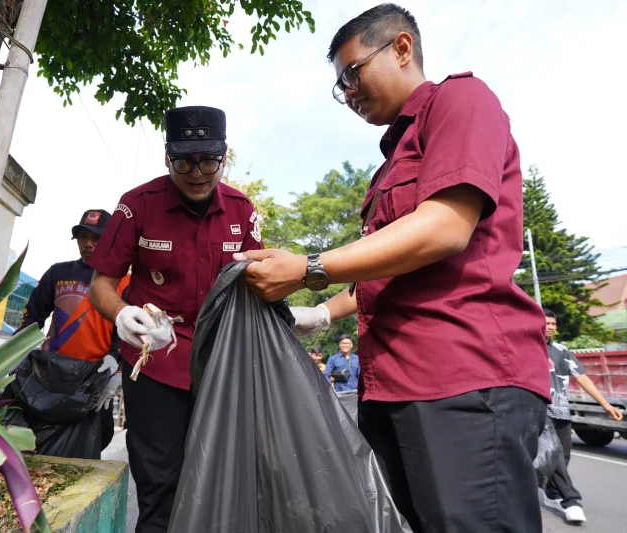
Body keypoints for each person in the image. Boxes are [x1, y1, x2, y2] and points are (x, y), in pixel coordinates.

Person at [234, 5, 550, 532]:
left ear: (402, 49)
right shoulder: (389, 165)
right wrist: (314, 314)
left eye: (352, 73)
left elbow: (443, 228)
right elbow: (382, 276)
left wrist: (308, 267)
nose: (349, 93)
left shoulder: (462, 100)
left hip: (462, 378)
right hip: (390, 385)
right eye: (340, 86)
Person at [87, 105, 263, 533]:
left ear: (225, 155)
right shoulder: (136, 206)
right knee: (159, 486)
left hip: (221, 367)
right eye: (184, 160)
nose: (197, 172)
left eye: (209, 160)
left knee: (220, 480)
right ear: (167, 156)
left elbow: (258, 280)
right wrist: (123, 313)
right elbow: (100, 285)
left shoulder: (243, 211)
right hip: (155, 366)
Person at [13, 210, 130, 455]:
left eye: (96, 238)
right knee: (37, 446)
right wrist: (15, 353)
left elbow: (126, 327)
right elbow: (33, 315)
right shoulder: (58, 273)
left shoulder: (123, 281)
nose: (88, 244)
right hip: (50, 375)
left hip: (93, 377)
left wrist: (116, 362)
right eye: (83, 237)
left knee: (85, 448)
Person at [541, 308, 623, 523]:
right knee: (553, 455)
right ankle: (571, 501)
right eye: (546, 322)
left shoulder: (562, 350)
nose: (550, 326)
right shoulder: (526, 349)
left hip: (561, 410)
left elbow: (582, 377)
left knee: (564, 456)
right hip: (539, 410)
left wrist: (605, 404)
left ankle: (551, 493)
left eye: (553, 323)